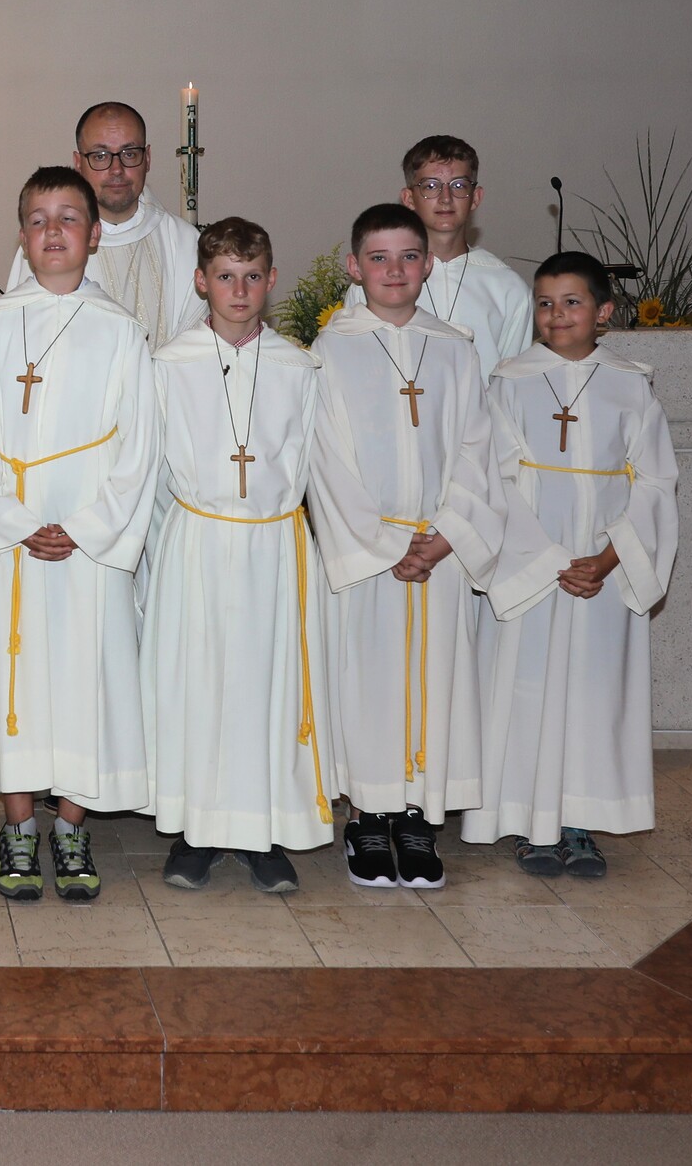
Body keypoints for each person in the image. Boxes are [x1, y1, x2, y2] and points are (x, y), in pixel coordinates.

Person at [0, 167, 158, 902]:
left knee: (82, 679)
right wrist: (13, 521)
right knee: (15, 680)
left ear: (94, 235)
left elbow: (140, 448)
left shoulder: (120, 331)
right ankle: (16, 825)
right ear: (21, 234)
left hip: (86, 544)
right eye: (38, 219)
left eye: (69, 218)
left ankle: (71, 824)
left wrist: (84, 527)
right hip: (15, 542)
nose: (53, 232)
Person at [462, 252, 678, 876]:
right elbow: (493, 478)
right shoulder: (511, 380)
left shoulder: (630, 383)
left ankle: (579, 821)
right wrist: (552, 559)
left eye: (573, 302)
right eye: (546, 304)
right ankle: (532, 823)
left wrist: (609, 559)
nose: (557, 315)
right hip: (533, 561)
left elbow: (656, 482)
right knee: (526, 685)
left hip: (604, 566)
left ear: (604, 311)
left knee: (591, 689)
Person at [310, 203, 505, 891]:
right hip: (370, 554)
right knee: (368, 682)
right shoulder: (331, 349)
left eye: (409, 257)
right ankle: (368, 816)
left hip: (440, 550)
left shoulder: (455, 346)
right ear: (354, 266)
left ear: (429, 263)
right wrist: (389, 543)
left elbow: (480, 451)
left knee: (437, 680)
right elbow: (324, 460)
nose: (395, 271)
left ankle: (420, 817)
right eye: (380, 258)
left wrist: (445, 535)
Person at [141, 217, 335, 894]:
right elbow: (149, 468)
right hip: (197, 542)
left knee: (265, 688)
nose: (240, 289)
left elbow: (314, 461)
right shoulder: (167, 366)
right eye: (225, 276)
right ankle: (195, 834)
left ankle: (262, 833)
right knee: (196, 685)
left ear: (272, 280)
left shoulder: (299, 366)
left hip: (276, 544)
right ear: (201, 282)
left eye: (253, 276)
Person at [3, 101, 201, 347]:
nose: (116, 169)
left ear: (147, 158)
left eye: (129, 154)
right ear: (78, 163)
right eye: (100, 156)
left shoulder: (184, 242)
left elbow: (197, 350)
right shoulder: (48, 244)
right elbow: (19, 337)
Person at [348, 135, 532, 378]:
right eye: (431, 186)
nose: (446, 198)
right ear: (409, 198)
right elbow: (354, 370)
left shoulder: (507, 287)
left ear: (475, 197)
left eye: (458, 186)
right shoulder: (375, 283)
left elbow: (513, 386)